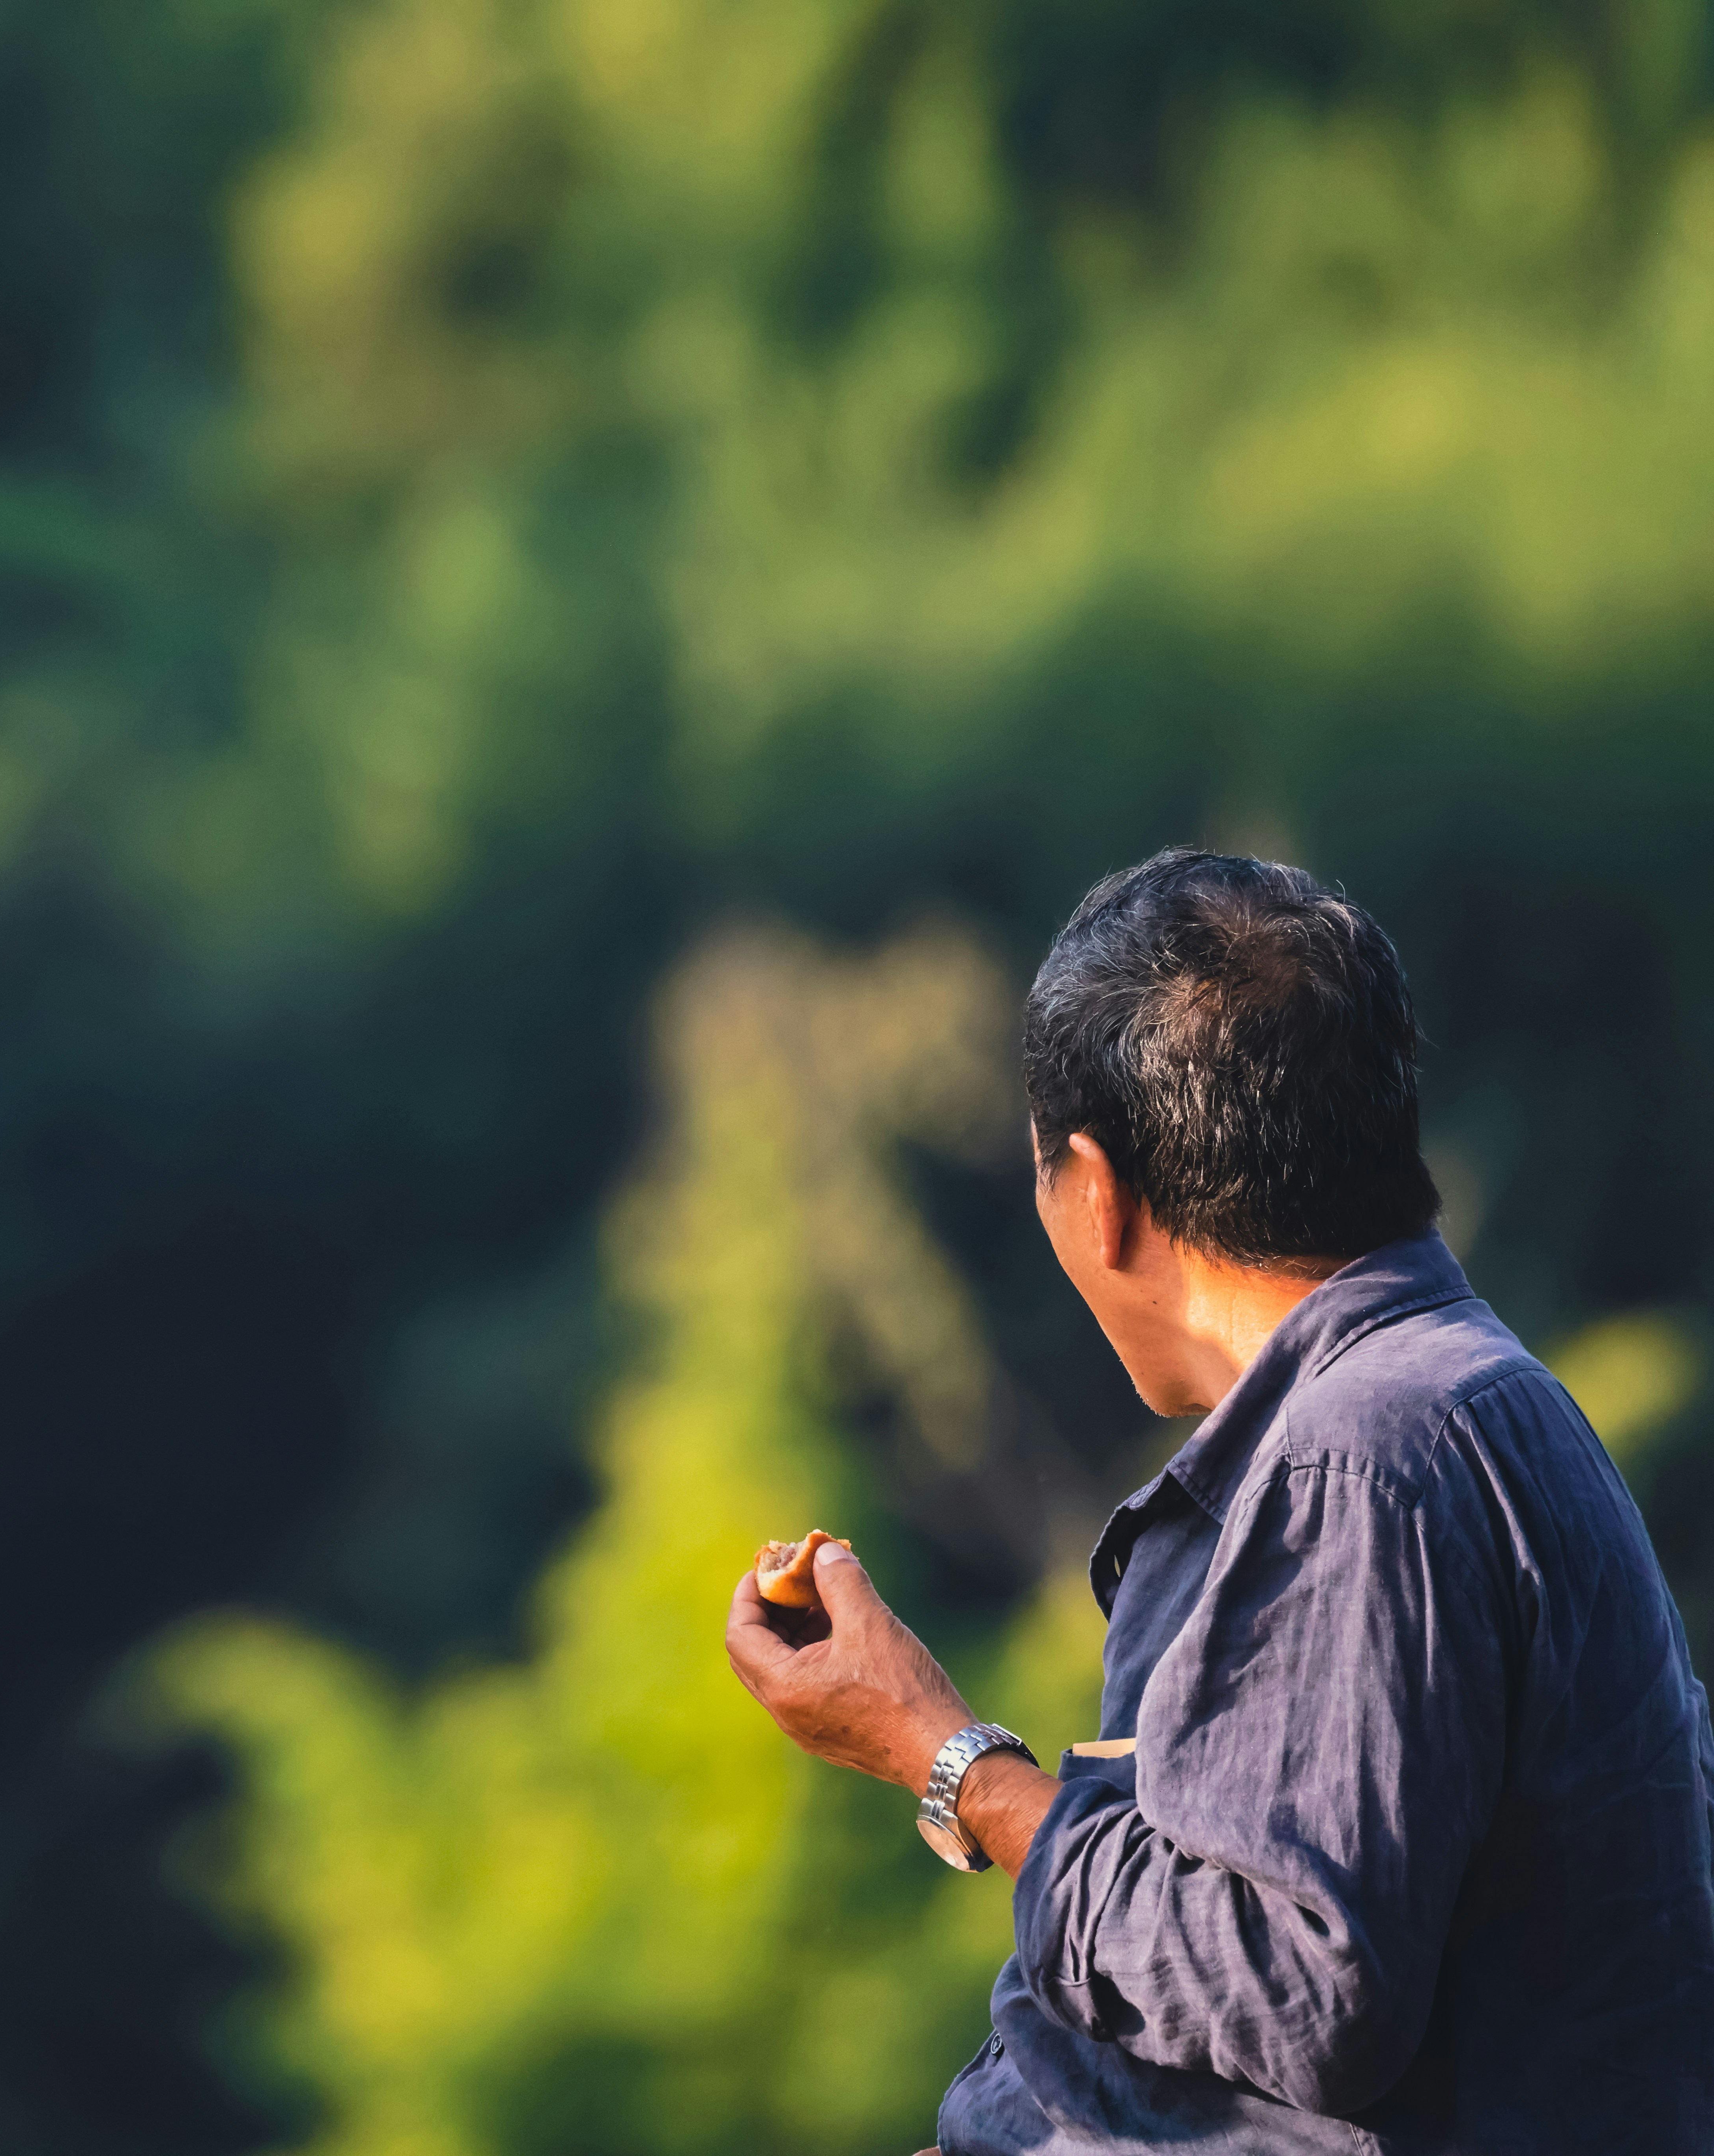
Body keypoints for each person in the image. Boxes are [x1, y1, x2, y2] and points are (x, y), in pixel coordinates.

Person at [725, 848, 1714, 2150]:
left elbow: (1303, 1991)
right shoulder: (1449, 1405)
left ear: (1096, 1190)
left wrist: (946, 1755)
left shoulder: (1366, 1454)